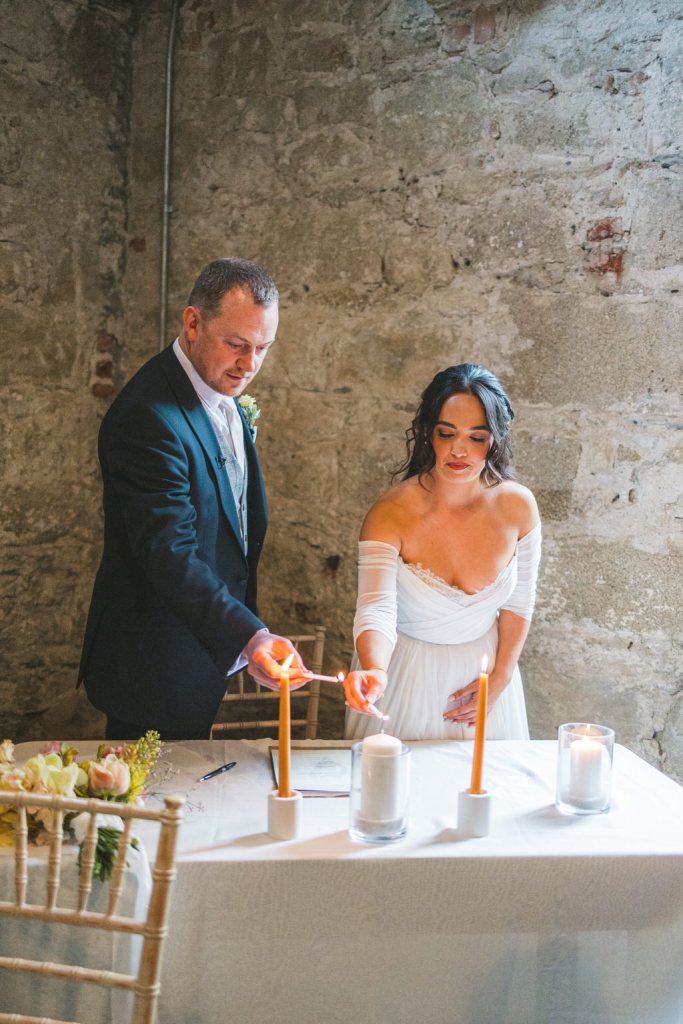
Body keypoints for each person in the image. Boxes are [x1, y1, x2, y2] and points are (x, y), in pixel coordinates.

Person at [78, 257, 306, 740]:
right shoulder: (148, 417)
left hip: (200, 651)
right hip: (153, 662)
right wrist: (250, 636)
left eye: (263, 347)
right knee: (150, 807)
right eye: (237, 345)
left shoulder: (220, 388)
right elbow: (168, 552)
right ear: (193, 322)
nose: (250, 365)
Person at [344, 364, 541, 741]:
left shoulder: (519, 507)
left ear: (496, 439)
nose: (459, 450)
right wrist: (375, 669)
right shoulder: (391, 511)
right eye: (446, 433)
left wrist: (499, 679)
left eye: (477, 437)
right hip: (404, 676)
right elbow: (376, 607)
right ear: (427, 433)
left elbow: (520, 601)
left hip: (485, 678)